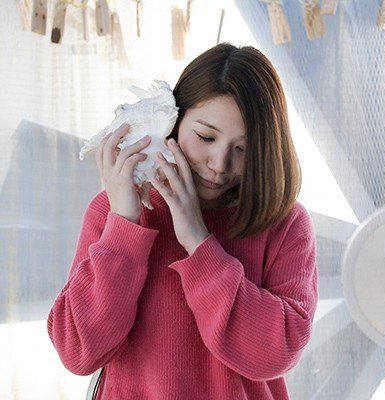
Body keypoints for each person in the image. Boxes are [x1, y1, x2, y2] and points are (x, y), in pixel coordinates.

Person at [47, 43, 318, 399]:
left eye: (243, 148)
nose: (219, 164)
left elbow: (276, 354)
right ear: (174, 123)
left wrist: (199, 242)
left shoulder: (284, 223)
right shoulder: (113, 211)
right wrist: (124, 224)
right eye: (205, 137)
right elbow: (78, 350)